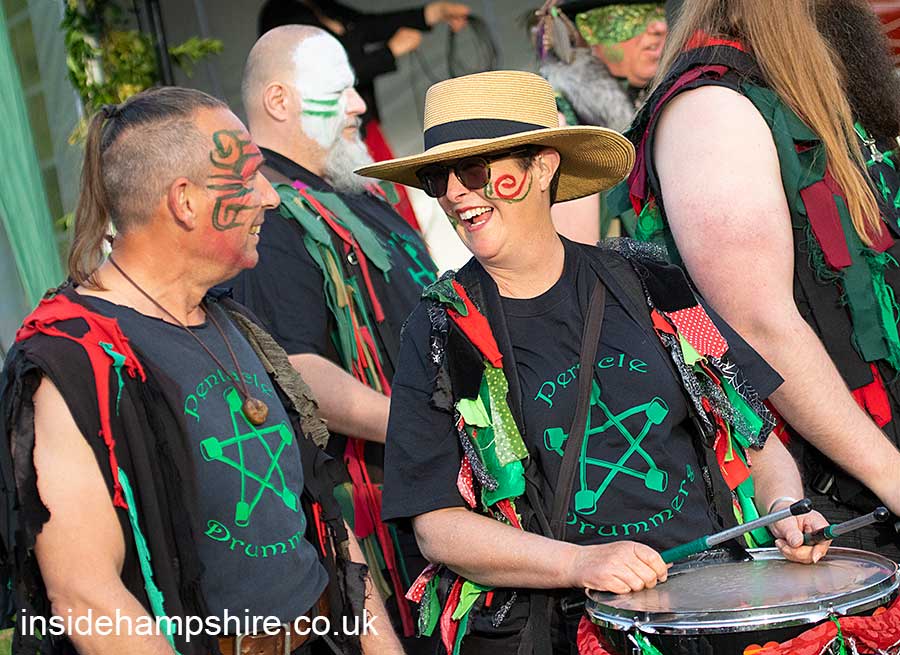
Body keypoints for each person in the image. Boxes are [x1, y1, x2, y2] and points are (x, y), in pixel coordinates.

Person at [356, 70, 829, 655]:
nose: (455, 194)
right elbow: (438, 527)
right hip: (570, 632)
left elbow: (752, 434)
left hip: (713, 612)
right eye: (438, 179)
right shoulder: (437, 328)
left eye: (475, 171)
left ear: (542, 168)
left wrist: (782, 508)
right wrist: (579, 563)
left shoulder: (655, 282)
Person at [0, 87, 402, 655]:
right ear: (185, 202)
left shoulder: (236, 322)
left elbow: (321, 515)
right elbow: (86, 597)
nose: (270, 197)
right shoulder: (70, 362)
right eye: (250, 177)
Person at [604, 0, 900, 558]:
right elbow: (759, 323)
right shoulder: (712, 108)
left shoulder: (795, 88)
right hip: (835, 494)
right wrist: (891, 474)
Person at [230, 25, 439, 651]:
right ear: (278, 100)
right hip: (387, 513)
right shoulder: (272, 215)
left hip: (432, 477)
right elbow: (296, 372)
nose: (358, 103)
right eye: (340, 89)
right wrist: (431, 426)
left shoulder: (350, 191)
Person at [532, 0, 667, 243]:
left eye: (658, 11)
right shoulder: (560, 125)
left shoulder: (670, 102)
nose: (659, 26)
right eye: (634, 13)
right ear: (587, 30)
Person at [257, 0, 470, 126]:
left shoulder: (319, 5)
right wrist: (390, 51)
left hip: (360, 122)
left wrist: (432, 13)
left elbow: (367, 25)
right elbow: (322, 76)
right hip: (329, 130)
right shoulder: (280, 16)